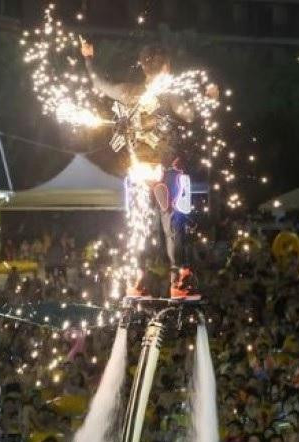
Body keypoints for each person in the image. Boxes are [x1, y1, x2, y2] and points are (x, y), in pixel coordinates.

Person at [79, 38, 217, 299]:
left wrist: (89, 59)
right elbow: (191, 115)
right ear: (166, 68)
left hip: (138, 172)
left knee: (139, 226)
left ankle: (136, 279)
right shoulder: (170, 95)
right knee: (173, 222)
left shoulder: (129, 92)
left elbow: (99, 84)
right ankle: (179, 280)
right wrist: (208, 98)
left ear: (143, 67)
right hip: (166, 172)